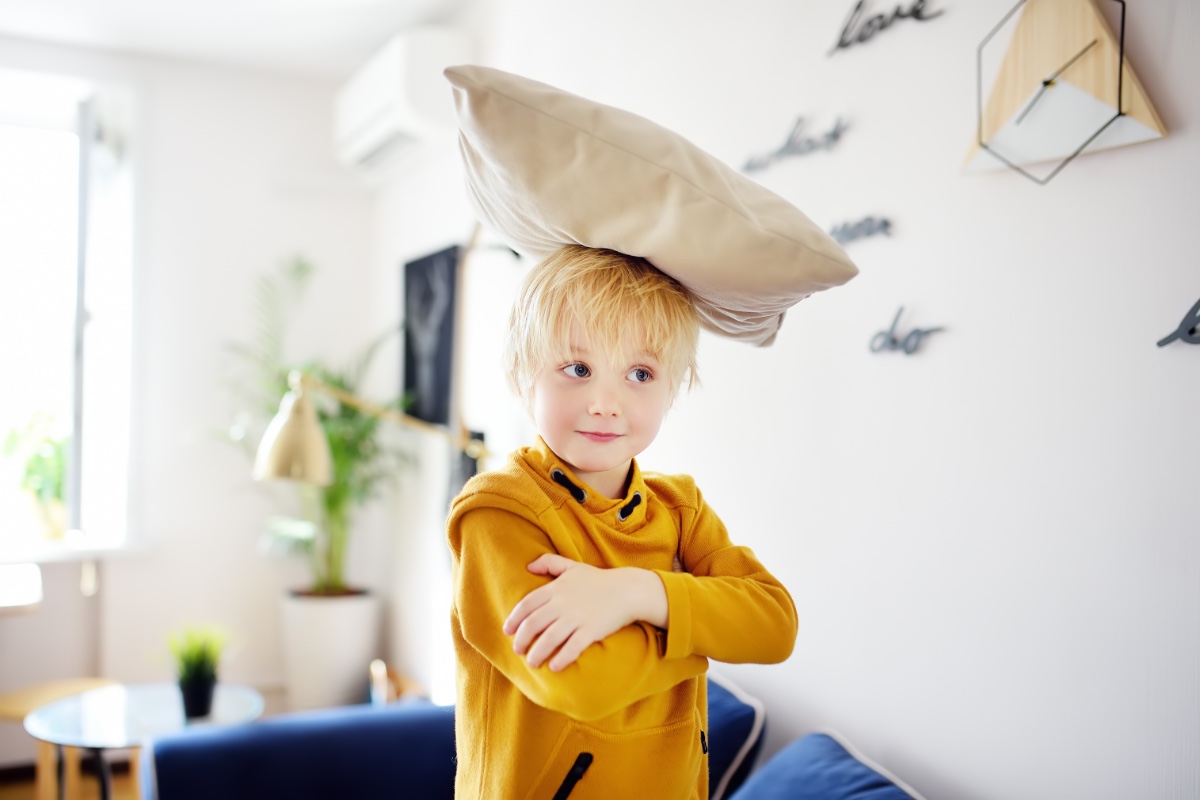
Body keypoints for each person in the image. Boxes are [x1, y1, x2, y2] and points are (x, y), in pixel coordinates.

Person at [446, 244, 798, 800]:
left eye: (639, 372)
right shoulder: (498, 510)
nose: (605, 403)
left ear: (673, 386)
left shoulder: (679, 508)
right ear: (522, 375)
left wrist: (639, 593)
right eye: (578, 368)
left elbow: (775, 626)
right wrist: (700, 625)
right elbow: (582, 680)